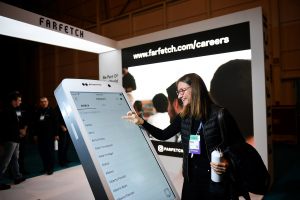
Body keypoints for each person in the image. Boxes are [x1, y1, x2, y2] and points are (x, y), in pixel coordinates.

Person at [123, 73, 246, 200]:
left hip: (216, 182)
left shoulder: (220, 114)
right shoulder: (183, 117)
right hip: (191, 181)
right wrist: (142, 122)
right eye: (178, 92)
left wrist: (228, 162)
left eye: (182, 90)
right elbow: (163, 135)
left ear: (196, 89)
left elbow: (241, 147)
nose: (180, 95)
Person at [0, 92, 26, 190]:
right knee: (5, 161)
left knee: (14, 158)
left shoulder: (11, 109)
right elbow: (5, 127)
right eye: (19, 100)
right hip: (9, 140)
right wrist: (19, 131)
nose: (21, 102)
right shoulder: (7, 110)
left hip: (14, 139)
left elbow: (12, 126)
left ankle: (17, 177)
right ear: (13, 101)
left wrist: (19, 132)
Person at [33, 97, 59, 175]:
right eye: (42, 102)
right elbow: (36, 124)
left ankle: (50, 168)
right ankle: (46, 167)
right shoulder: (38, 112)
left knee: (50, 153)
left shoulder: (52, 111)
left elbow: (56, 123)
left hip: (50, 136)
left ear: (48, 102)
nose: (43, 103)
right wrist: (35, 134)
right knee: (42, 152)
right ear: (40, 103)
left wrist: (56, 134)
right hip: (41, 137)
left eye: (45, 101)